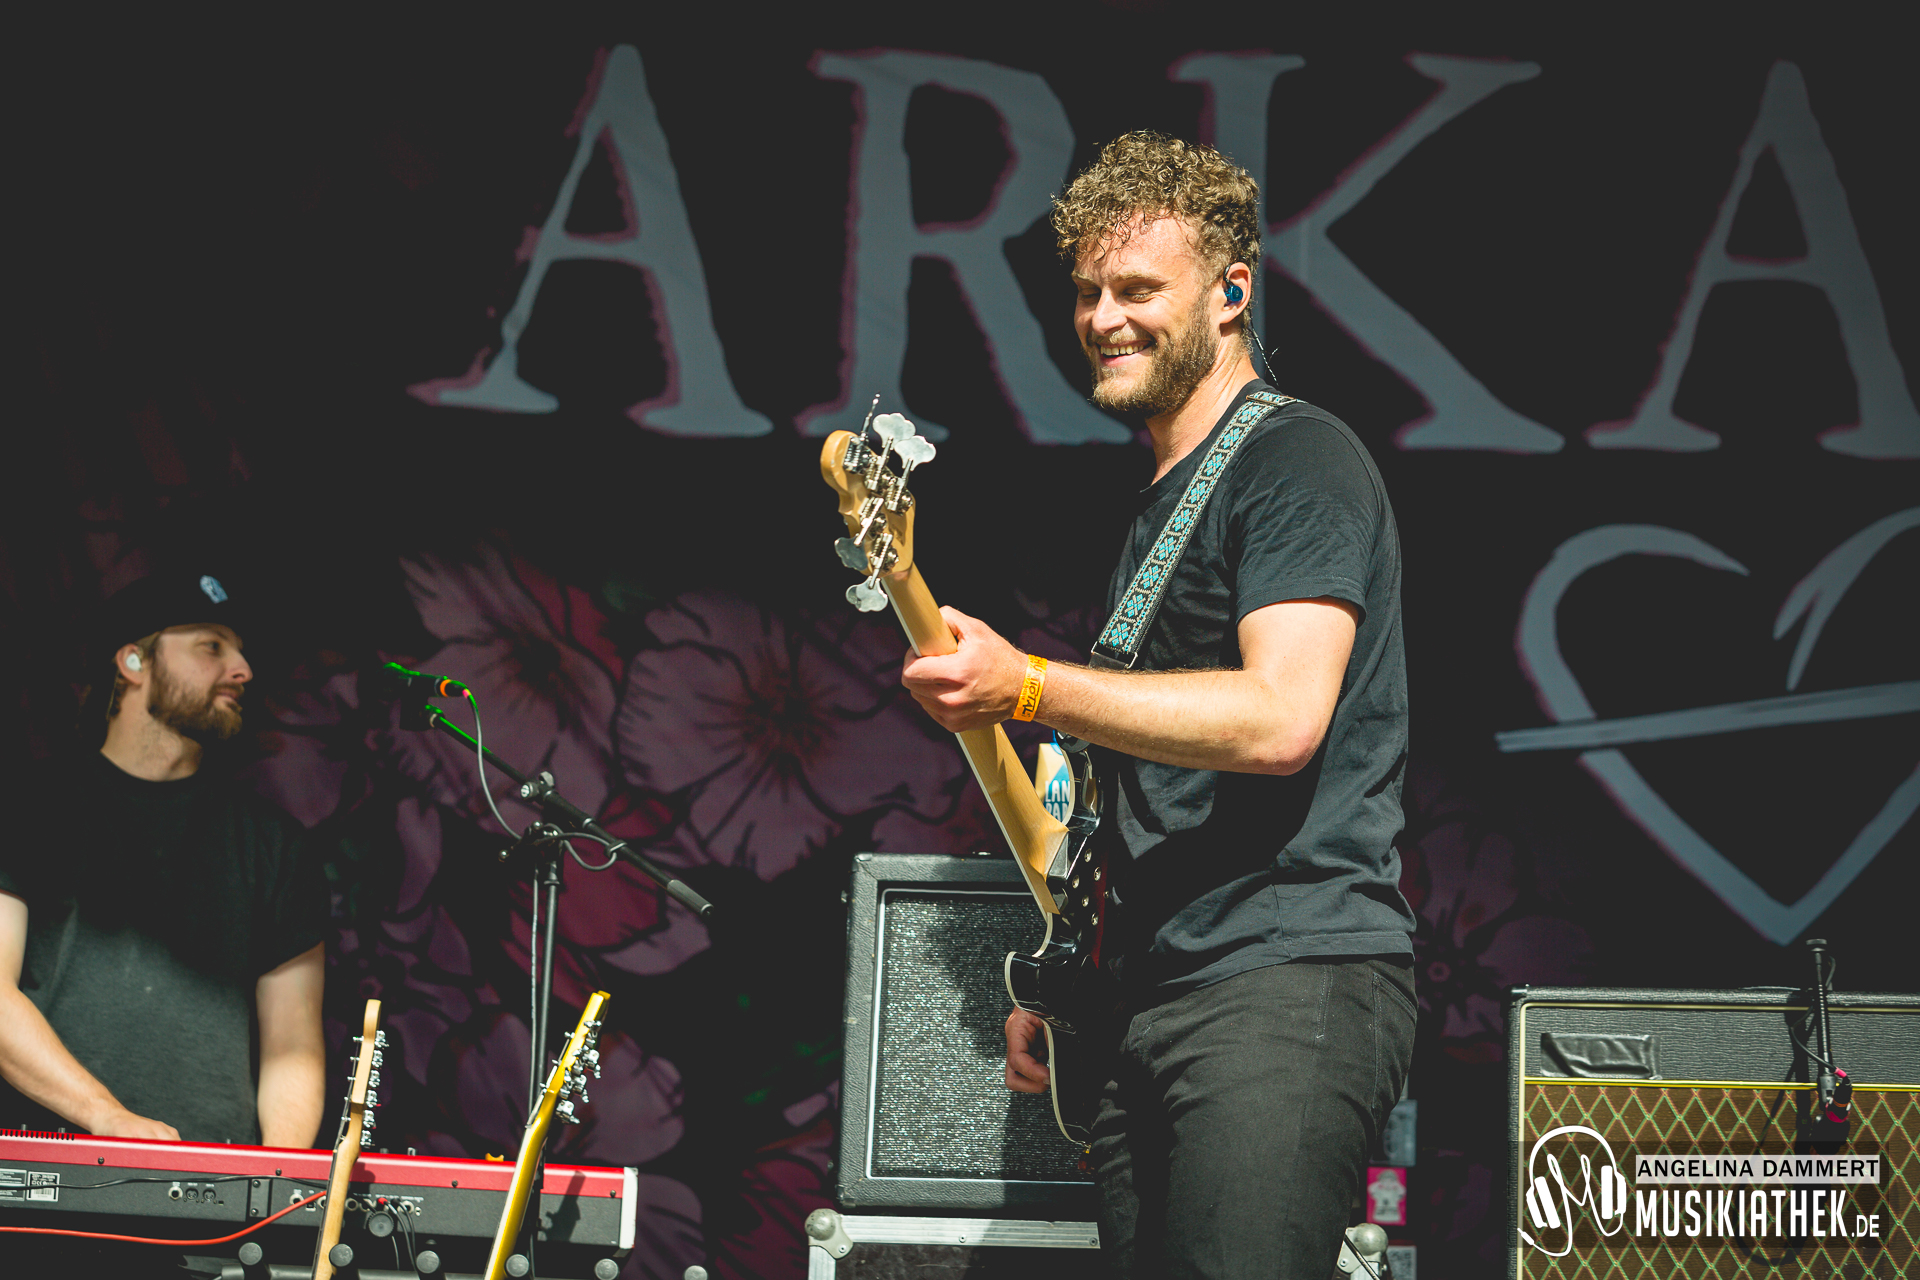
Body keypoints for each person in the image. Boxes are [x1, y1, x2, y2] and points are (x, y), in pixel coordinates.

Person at [900, 133, 1417, 1278]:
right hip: (1147, 995)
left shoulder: (1298, 460)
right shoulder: (1158, 508)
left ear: (1232, 292)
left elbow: (1282, 718)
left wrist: (1032, 685)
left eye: (1138, 288)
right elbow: (1145, 792)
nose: (1103, 317)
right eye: (1088, 291)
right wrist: (1072, 975)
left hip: (1279, 979)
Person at [0, 571, 329, 1150]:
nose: (243, 670)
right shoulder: (27, 807)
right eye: (211, 646)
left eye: (241, 651)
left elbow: (293, 1047)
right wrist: (106, 1116)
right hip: (55, 1169)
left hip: (217, 1186)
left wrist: (273, 1180)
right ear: (133, 662)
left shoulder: (276, 844)